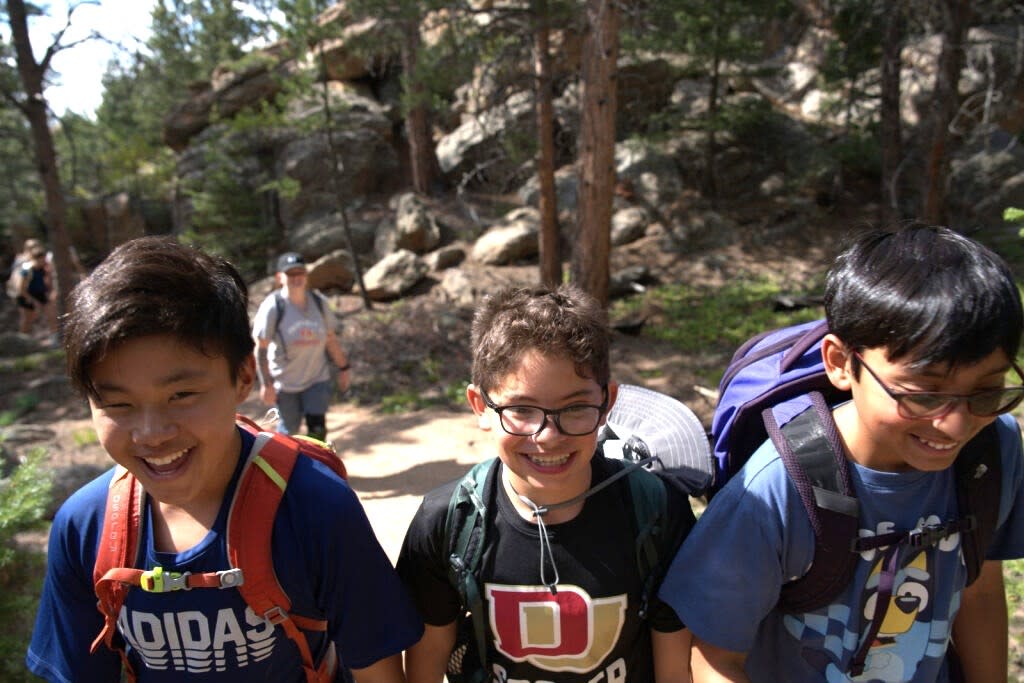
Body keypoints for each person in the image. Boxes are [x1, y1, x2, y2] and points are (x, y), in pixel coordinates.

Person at [25, 236, 422, 682]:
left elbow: (378, 671)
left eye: (181, 395)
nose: (152, 433)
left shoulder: (317, 509)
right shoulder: (85, 527)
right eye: (118, 405)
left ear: (243, 378)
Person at [659, 225, 1024, 682]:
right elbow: (713, 656)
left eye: (987, 393)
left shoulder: (989, 451)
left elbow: (979, 589)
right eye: (923, 394)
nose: (954, 423)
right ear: (840, 363)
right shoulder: (778, 486)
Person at [397, 284, 696, 682]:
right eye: (521, 409)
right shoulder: (446, 523)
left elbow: (677, 670)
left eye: (574, 408)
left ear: (607, 402)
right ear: (480, 407)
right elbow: (424, 666)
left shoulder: (658, 513)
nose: (547, 435)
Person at [253, 252, 350, 442]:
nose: (296, 278)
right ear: (280, 277)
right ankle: (288, 471)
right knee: (289, 435)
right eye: (290, 274)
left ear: (306, 275)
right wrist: (266, 384)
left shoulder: (318, 302)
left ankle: (319, 468)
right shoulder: (273, 306)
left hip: (316, 378)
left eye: (300, 273)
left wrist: (343, 367)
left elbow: (330, 339)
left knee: (318, 430)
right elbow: (261, 347)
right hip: (285, 382)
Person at [15, 243, 57, 336]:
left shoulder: (43, 269)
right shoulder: (27, 270)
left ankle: (54, 337)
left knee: (51, 315)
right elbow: (21, 289)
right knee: (27, 320)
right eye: (42, 259)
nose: (44, 261)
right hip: (27, 296)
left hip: (40, 294)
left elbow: (48, 284)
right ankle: (22, 340)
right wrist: (33, 301)